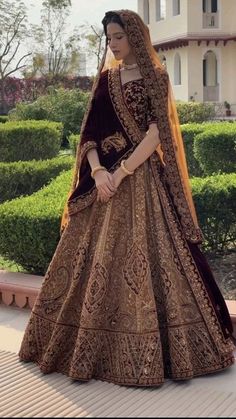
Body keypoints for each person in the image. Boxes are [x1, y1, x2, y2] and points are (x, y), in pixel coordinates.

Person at [19, 9, 235, 387]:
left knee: (160, 260)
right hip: (103, 184)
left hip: (142, 180)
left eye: (118, 36)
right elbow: (89, 133)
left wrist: (120, 173)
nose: (113, 45)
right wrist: (99, 172)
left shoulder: (157, 77)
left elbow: (155, 134)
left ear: (135, 35)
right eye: (108, 39)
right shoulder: (106, 80)